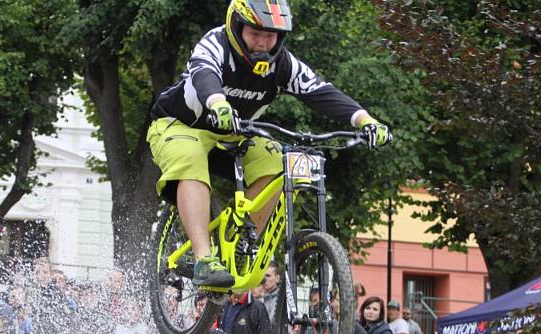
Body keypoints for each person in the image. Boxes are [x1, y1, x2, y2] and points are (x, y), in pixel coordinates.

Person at [147, 0, 389, 288]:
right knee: (190, 157)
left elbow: (320, 90)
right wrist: (217, 102)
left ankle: (239, 243)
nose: (263, 43)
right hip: (180, 125)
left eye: (271, 35)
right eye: (255, 33)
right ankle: (203, 257)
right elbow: (204, 74)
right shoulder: (215, 43)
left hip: (232, 136)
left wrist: (364, 120)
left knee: (279, 163)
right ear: (236, 28)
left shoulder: (283, 64)